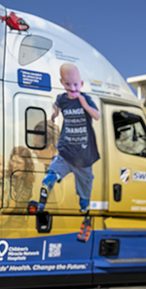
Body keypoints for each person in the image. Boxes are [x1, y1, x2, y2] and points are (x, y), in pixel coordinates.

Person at [38, 62, 100, 213]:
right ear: (61, 83)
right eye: (68, 84)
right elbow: (57, 104)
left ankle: (83, 204)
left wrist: (85, 105)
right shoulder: (62, 99)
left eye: (76, 85)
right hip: (67, 150)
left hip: (84, 155)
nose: (72, 89)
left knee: (84, 181)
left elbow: (96, 115)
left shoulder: (85, 99)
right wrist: (55, 113)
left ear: (82, 84)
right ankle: (49, 181)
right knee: (58, 166)